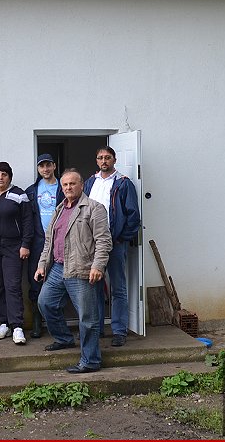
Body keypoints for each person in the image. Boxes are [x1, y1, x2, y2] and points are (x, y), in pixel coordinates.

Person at [35, 168, 112, 373]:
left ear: (82, 185)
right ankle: (64, 338)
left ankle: (91, 361)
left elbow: (103, 241)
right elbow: (49, 241)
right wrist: (42, 265)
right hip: (58, 267)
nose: (68, 187)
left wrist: (98, 266)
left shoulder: (94, 208)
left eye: (72, 183)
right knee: (45, 303)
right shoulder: (59, 209)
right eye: (65, 184)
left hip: (81, 269)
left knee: (88, 318)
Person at [84, 145, 141, 347]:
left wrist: (120, 238)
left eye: (107, 157)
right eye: (100, 157)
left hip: (114, 243)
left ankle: (118, 331)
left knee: (118, 288)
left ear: (114, 160)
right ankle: (97, 329)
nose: (104, 161)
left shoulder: (123, 183)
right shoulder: (90, 182)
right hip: (93, 244)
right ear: (96, 161)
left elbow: (133, 216)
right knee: (94, 287)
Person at [0, 161, 33, 345]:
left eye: (4, 174)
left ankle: (17, 326)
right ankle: (3, 323)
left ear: (10, 177)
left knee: (13, 286)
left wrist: (25, 244)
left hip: (13, 247)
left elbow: (27, 221)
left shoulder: (19, 195)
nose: (0, 177)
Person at [24, 153, 64, 339]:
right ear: (38, 169)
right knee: (36, 280)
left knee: (63, 280)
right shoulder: (31, 191)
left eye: (48, 165)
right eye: (42, 166)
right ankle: (37, 322)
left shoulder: (64, 187)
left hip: (61, 239)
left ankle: (59, 321)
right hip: (38, 241)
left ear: (54, 166)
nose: (45, 169)